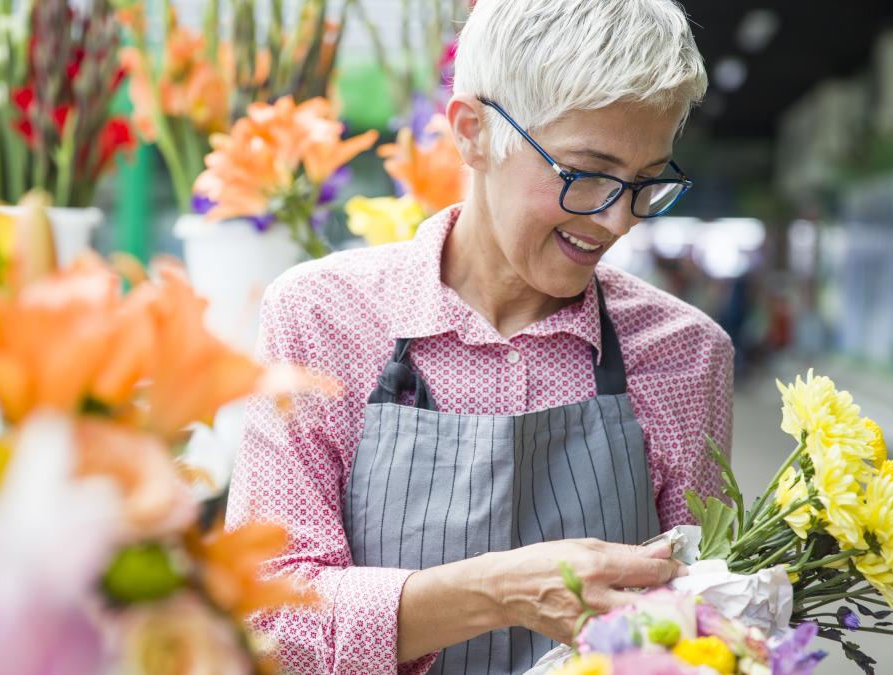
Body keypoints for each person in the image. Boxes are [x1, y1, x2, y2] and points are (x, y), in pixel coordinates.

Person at [226, 1, 734, 672]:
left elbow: (707, 620)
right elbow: (267, 619)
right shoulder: (322, 319)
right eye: (586, 173)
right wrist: (498, 593)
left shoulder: (685, 353)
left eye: (647, 183)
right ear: (472, 132)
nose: (617, 222)